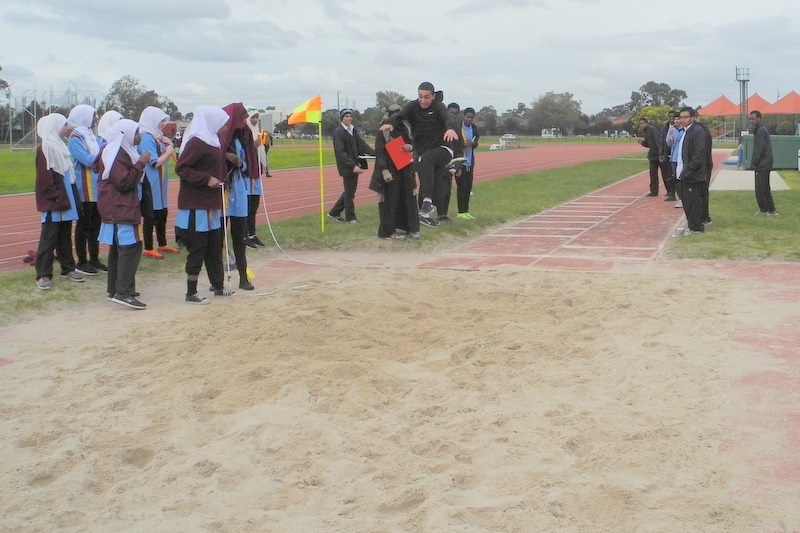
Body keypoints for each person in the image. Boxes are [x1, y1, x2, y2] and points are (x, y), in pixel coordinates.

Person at [174, 106, 232, 305]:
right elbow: (181, 168)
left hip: (213, 204)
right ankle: (191, 292)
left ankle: (218, 285)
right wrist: (206, 179)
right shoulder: (197, 142)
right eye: (223, 122)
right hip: (197, 204)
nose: (226, 127)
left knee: (215, 246)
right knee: (198, 247)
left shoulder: (214, 140)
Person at [381, 82, 459, 226]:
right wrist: (391, 123)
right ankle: (423, 214)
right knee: (426, 176)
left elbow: (448, 118)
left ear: (433, 96)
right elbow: (400, 115)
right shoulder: (413, 106)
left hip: (442, 149)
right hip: (421, 151)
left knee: (426, 160)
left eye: (427, 97)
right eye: (420, 97)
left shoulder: (438, 107)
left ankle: (427, 202)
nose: (423, 101)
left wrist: (450, 129)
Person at [94, 119, 151, 309]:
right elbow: (124, 181)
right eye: (136, 133)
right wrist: (140, 164)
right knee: (131, 248)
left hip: (118, 206)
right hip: (121, 207)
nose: (139, 136)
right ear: (126, 134)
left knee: (119, 249)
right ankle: (123, 293)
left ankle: (116, 288)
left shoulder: (119, 150)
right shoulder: (116, 153)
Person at [33, 113, 85, 289]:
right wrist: (56, 196)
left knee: (64, 235)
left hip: (65, 197)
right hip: (54, 201)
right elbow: (44, 179)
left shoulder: (61, 146)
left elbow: (68, 175)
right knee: (49, 237)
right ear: (55, 126)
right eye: (65, 125)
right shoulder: (45, 149)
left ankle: (68, 267)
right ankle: (43, 274)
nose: (67, 128)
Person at [219, 102, 258, 290]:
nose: (245, 121)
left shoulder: (245, 135)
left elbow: (250, 162)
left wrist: (240, 163)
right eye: (242, 117)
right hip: (223, 191)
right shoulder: (219, 136)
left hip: (240, 189)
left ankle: (243, 277)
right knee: (218, 237)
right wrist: (225, 157)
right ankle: (217, 280)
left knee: (240, 236)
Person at [67, 104, 106, 275]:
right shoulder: (76, 138)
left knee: (96, 225)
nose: (96, 119)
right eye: (93, 116)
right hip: (84, 190)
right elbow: (88, 160)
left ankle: (95, 259)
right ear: (84, 117)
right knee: (84, 226)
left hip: (97, 189)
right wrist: (104, 155)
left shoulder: (92, 136)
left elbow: (101, 154)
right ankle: (82, 262)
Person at [369, 104, 417, 240]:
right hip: (389, 170)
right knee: (389, 201)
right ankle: (388, 231)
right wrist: (384, 170)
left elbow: (413, 143)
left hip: (405, 169)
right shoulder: (383, 130)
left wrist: (410, 147)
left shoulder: (406, 128)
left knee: (407, 198)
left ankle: (409, 228)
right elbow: (379, 152)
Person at [138, 106, 179, 259]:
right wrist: (168, 150)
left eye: (164, 121)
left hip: (160, 182)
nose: (162, 124)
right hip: (151, 180)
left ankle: (162, 243)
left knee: (162, 211)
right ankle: (148, 246)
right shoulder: (145, 137)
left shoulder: (157, 136)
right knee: (151, 214)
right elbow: (154, 162)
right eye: (160, 121)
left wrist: (167, 144)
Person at [328, 109, 374, 223]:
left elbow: (362, 145)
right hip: (347, 167)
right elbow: (341, 153)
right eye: (346, 116)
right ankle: (351, 218)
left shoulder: (353, 130)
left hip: (355, 165)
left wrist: (376, 153)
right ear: (342, 118)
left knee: (350, 191)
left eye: (350, 116)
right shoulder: (339, 133)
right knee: (349, 193)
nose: (349, 118)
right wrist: (353, 166)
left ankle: (334, 212)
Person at [675, 107, 707, 235]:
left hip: (693, 175)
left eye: (685, 117)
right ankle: (692, 225)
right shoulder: (687, 131)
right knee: (688, 202)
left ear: (692, 118)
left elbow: (699, 154)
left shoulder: (697, 131)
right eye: (681, 117)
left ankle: (696, 227)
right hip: (685, 173)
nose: (682, 120)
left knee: (693, 202)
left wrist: (688, 171)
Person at [748, 110, 777, 216]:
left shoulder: (761, 130)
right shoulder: (760, 129)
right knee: (764, 187)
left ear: (759, 118)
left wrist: (754, 163)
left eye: (753, 118)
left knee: (760, 188)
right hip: (765, 163)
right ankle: (771, 209)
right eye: (750, 119)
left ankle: (765, 209)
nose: (751, 121)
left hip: (762, 164)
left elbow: (759, 149)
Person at [245, 108, 267, 248]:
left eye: (257, 117)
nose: (255, 120)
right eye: (253, 117)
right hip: (248, 173)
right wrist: (254, 145)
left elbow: (262, 151)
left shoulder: (256, 131)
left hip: (256, 171)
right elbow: (244, 150)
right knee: (246, 207)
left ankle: (252, 234)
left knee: (254, 206)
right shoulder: (244, 132)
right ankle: (245, 235)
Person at [456, 107, 480, 219]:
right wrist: (463, 144)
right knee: (462, 186)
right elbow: (454, 144)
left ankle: (466, 210)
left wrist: (473, 144)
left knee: (468, 187)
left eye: (471, 118)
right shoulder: (458, 128)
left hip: (470, 161)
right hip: (461, 162)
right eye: (467, 117)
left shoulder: (474, 128)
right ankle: (460, 211)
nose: (469, 119)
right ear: (463, 116)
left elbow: (476, 143)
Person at [693, 113, 714, 224]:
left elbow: (701, 150)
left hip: (703, 165)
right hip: (704, 164)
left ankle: (704, 217)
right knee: (701, 192)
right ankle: (703, 216)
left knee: (701, 192)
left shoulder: (700, 130)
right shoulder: (701, 129)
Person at [637, 117, 663, 196]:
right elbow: (649, 144)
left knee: (665, 174)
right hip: (652, 155)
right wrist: (642, 143)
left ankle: (670, 192)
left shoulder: (652, 130)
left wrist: (661, 153)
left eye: (643, 123)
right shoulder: (644, 132)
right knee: (653, 174)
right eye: (640, 124)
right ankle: (654, 191)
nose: (641, 125)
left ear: (646, 123)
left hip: (659, 155)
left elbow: (659, 141)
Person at [659, 111, 678, 202]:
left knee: (674, 174)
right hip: (667, 154)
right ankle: (670, 191)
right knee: (667, 174)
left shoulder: (679, 129)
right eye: (670, 117)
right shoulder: (665, 128)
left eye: (673, 117)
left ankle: (675, 193)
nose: (671, 119)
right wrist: (661, 153)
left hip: (676, 155)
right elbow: (663, 141)